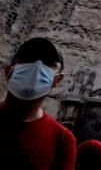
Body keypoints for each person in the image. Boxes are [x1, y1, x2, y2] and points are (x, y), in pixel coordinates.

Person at [0, 37, 77, 170]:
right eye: (28, 58)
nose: (37, 66)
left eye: (48, 63)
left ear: (57, 80)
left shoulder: (62, 140)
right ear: (8, 71)